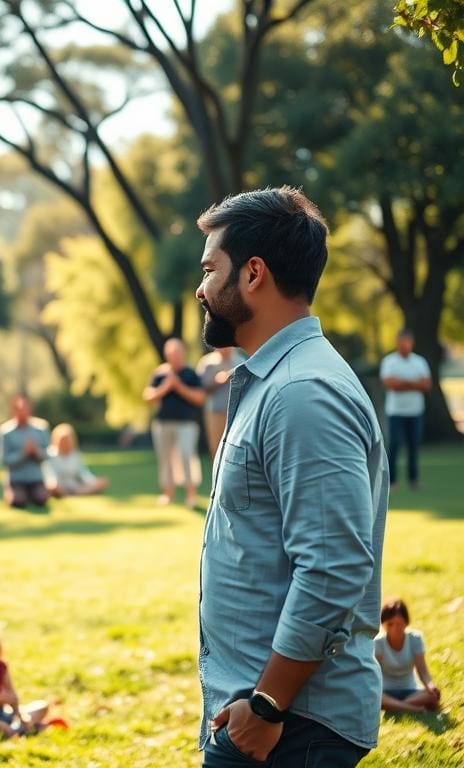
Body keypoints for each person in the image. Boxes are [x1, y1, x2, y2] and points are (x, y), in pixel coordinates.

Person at [194, 188, 388, 767]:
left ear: (253, 273)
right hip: (266, 715)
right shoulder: (273, 382)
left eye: (210, 269)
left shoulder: (302, 393)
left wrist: (269, 703)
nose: (202, 289)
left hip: (291, 725)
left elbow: (333, 565)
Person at [143, 338, 205, 508]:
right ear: (166, 355)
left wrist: (178, 386)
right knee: (165, 459)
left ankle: (191, 495)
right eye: (171, 354)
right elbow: (148, 397)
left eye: (177, 353)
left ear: (183, 354)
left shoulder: (190, 374)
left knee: (186, 456)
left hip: (186, 424)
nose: (174, 357)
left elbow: (200, 398)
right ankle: (167, 494)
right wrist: (165, 386)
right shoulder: (160, 374)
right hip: (163, 424)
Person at [380, 330, 431, 490]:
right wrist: (414, 384)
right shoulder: (389, 361)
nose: (405, 346)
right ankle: (392, 481)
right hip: (396, 412)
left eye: (407, 342)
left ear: (412, 343)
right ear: (397, 343)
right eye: (402, 342)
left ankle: (413, 480)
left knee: (414, 446)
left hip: (415, 412)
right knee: (394, 445)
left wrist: (403, 383)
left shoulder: (420, 362)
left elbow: (426, 385)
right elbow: (390, 384)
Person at [375, 598, 442, 713]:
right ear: (383, 624)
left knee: (433, 695)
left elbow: (423, 672)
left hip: (411, 690)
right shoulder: (378, 643)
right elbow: (375, 675)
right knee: (374, 697)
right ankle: (415, 709)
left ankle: (397, 707)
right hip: (386, 691)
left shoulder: (415, 638)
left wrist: (431, 686)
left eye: (399, 623)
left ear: (406, 622)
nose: (395, 628)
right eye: (390, 624)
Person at [0, 394, 51, 508]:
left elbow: (48, 454)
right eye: (19, 409)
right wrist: (23, 454)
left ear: (30, 408)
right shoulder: (5, 432)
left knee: (41, 500)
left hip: (36, 479)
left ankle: (33, 494)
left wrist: (36, 452)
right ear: (13, 410)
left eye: (25, 408)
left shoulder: (41, 428)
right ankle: (13, 493)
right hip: (16, 479)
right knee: (18, 502)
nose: (22, 412)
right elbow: (2, 460)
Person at [196, 346, 246, 462]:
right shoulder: (208, 363)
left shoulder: (240, 361)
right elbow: (201, 388)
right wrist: (216, 381)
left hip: (238, 412)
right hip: (215, 412)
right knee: (216, 448)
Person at [45, 423, 109, 497]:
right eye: (64, 441)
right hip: (58, 485)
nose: (66, 444)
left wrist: (94, 482)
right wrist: (54, 485)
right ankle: (76, 493)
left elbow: (83, 473)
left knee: (102, 482)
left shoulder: (75, 455)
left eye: (68, 441)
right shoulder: (50, 455)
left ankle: (75, 493)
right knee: (53, 488)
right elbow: (49, 475)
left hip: (74, 486)